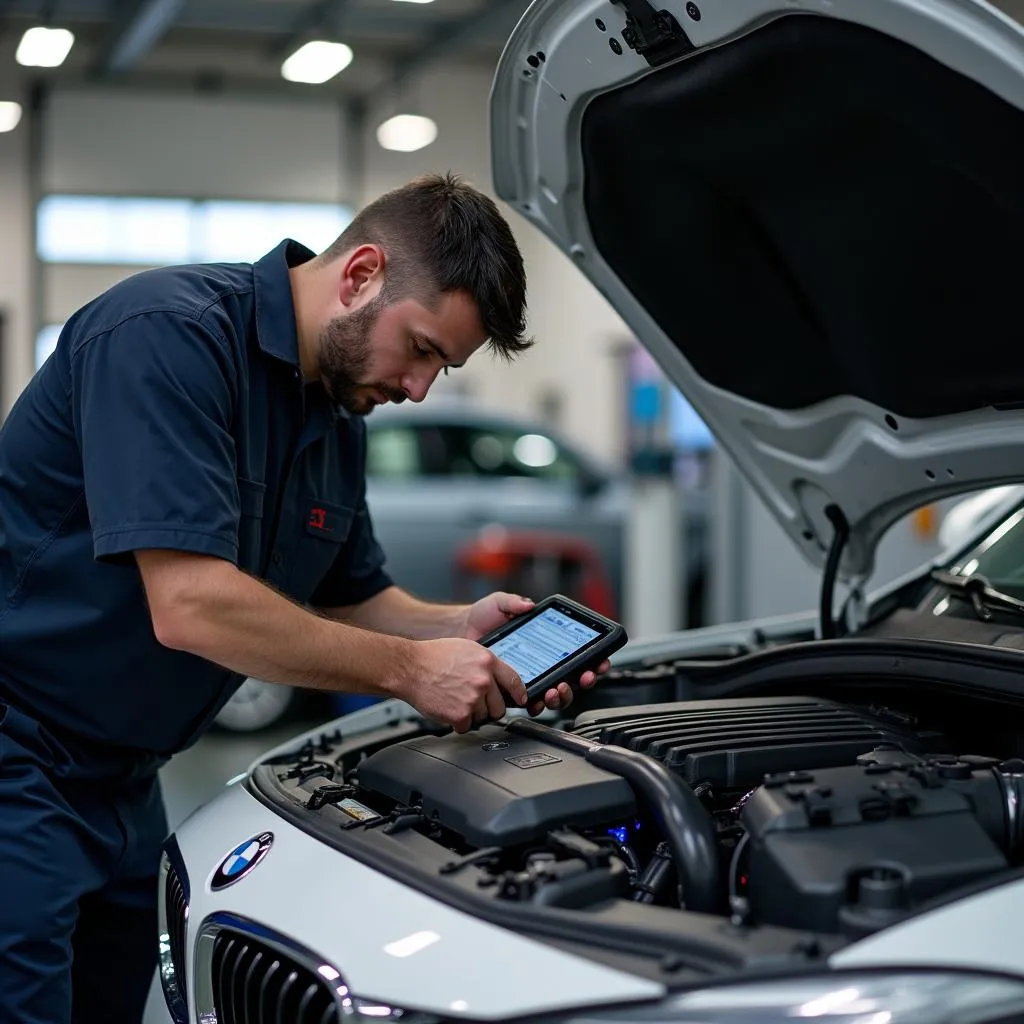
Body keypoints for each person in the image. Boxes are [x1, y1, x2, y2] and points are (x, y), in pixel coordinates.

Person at [0, 172, 608, 1024]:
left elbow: (350, 594)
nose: (421, 389)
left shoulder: (335, 416)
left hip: (126, 779)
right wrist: (410, 671)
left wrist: (457, 628)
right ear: (361, 274)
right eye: (425, 349)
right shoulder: (167, 337)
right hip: (19, 752)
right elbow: (193, 605)